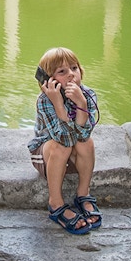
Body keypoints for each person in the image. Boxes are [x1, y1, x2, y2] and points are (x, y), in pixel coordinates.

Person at [28, 47, 102, 235]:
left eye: (74, 68)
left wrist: (82, 104)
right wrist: (59, 105)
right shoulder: (45, 101)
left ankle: (83, 193)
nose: (71, 75)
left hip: (73, 157)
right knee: (61, 146)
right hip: (47, 156)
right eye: (62, 72)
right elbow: (64, 138)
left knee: (88, 143)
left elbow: (83, 136)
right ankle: (56, 203)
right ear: (48, 80)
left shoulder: (88, 95)